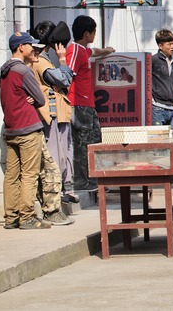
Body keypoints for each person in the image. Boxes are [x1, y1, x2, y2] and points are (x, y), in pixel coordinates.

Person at [0, 32, 51, 230]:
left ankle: (10, 217)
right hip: (28, 128)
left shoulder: (5, 70)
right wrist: (30, 98)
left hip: (11, 129)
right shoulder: (23, 70)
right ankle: (27, 217)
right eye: (30, 45)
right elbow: (40, 98)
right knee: (29, 174)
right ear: (21, 47)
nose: (33, 49)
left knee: (11, 175)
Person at [30, 21, 77, 205]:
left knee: (63, 152)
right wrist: (63, 61)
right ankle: (56, 193)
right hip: (52, 113)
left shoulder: (43, 59)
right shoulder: (41, 61)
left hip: (58, 111)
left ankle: (63, 189)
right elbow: (64, 80)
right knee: (57, 154)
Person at [66, 15, 113, 192]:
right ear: (86, 34)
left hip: (88, 105)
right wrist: (69, 105)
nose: (95, 35)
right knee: (81, 144)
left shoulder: (83, 50)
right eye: (93, 32)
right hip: (78, 105)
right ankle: (81, 181)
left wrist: (107, 50)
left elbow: (95, 52)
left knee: (95, 141)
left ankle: (94, 179)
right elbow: (67, 75)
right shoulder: (74, 50)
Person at [151, 29, 173, 126]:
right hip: (157, 107)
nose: (172, 47)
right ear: (160, 46)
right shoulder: (153, 60)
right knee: (158, 135)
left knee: (170, 135)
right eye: (169, 44)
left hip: (171, 108)